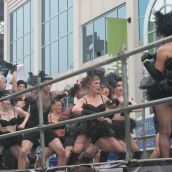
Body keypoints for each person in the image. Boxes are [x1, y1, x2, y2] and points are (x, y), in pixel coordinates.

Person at [71, 68, 126, 164]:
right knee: (77, 150)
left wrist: (109, 116)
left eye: (99, 83)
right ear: (89, 84)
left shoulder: (103, 97)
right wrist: (93, 114)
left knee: (122, 150)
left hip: (101, 128)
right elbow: (75, 110)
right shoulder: (84, 99)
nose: (98, 86)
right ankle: (69, 168)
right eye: (96, 83)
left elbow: (111, 110)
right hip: (88, 127)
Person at [18, 72, 66, 169]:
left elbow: (65, 92)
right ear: (41, 84)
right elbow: (16, 95)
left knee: (61, 151)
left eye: (50, 84)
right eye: (46, 83)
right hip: (32, 125)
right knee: (23, 152)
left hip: (45, 125)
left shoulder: (52, 95)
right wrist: (25, 98)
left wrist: (66, 93)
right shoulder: (34, 94)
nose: (48, 86)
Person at [140, 10, 172, 158]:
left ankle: (166, 163)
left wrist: (146, 62)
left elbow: (158, 76)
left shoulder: (163, 49)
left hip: (164, 93)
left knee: (164, 131)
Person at [106, 72, 141, 159]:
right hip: (112, 127)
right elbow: (105, 112)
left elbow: (139, 108)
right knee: (122, 151)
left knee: (137, 151)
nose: (121, 88)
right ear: (113, 87)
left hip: (124, 127)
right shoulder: (108, 98)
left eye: (122, 85)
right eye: (118, 85)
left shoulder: (127, 97)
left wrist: (128, 107)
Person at [0, 92, 30, 168]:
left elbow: (27, 115)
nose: (7, 102)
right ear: (1, 101)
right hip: (2, 137)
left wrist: (23, 124)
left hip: (13, 137)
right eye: (5, 100)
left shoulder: (16, 110)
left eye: (9, 100)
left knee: (26, 161)